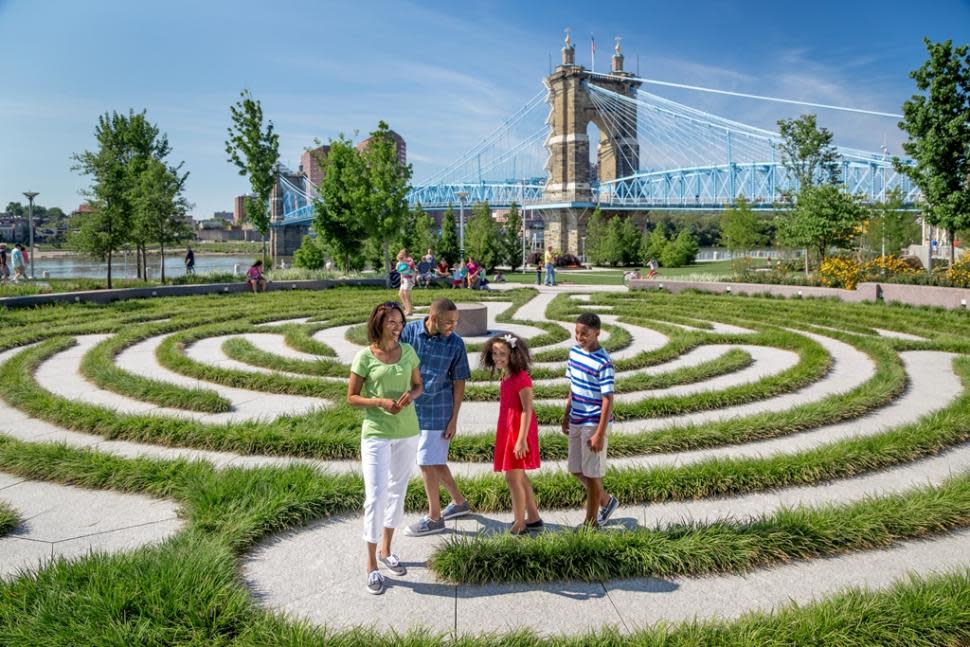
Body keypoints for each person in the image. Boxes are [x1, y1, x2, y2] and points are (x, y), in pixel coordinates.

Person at [347, 301, 423, 596]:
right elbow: (351, 397)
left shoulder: (408, 352)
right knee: (375, 497)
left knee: (397, 491)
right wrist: (380, 402)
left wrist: (410, 396)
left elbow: (419, 385)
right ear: (378, 323)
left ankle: (387, 549)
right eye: (391, 321)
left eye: (400, 321)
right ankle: (371, 566)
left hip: (407, 431)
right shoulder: (364, 357)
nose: (397, 326)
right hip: (377, 432)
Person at [401, 298, 473, 536]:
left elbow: (459, 380)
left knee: (426, 462)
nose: (453, 326)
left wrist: (454, 418)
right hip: (412, 409)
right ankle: (459, 503)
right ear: (432, 318)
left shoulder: (455, 343)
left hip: (439, 409)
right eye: (448, 322)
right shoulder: (409, 332)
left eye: (456, 321)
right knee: (436, 461)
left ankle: (434, 518)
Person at [561, 312, 618, 529]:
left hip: (594, 422)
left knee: (592, 474)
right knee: (576, 469)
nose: (579, 337)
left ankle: (591, 522)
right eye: (576, 332)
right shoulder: (574, 353)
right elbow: (573, 386)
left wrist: (599, 434)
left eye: (584, 333)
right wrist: (566, 414)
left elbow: (607, 399)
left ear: (597, 333)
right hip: (576, 417)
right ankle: (606, 501)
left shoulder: (604, 363)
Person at [481, 333, 542, 534]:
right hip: (509, 429)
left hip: (519, 432)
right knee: (520, 476)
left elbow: (527, 409)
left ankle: (519, 523)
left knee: (512, 479)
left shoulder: (521, 378)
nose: (498, 357)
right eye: (495, 353)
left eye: (503, 354)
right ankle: (533, 516)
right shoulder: (506, 375)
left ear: (513, 355)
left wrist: (521, 440)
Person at [396, 249, 415, 316]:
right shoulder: (401, 261)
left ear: (405, 254)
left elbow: (410, 269)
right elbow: (401, 270)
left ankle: (409, 311)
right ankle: (407, 309)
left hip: (409, 279)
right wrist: (401, 278)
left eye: (402, 253)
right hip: (404, 279)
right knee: (401, 294)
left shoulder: (410, 260)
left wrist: (413, 280)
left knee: (406, 294)